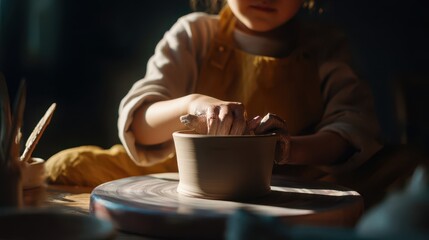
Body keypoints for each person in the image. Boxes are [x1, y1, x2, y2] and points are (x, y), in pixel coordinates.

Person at [46, 0, 417, 209]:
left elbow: (351, 128)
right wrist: (194, 103)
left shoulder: (326, 46)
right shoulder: (194, 33)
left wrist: (284, 149)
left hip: (293, 179)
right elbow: (140, 120)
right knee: (64, 165)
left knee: (409, 167)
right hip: (178, 174)